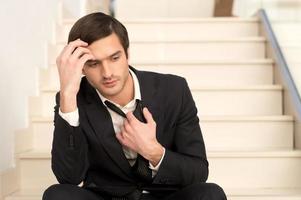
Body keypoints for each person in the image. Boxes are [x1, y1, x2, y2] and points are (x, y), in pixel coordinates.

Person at [42, 12, 227, 200]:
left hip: (164, 197)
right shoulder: (72, 99)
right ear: (81, 67)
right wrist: (67, 94)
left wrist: (153, 151)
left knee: (210, 194)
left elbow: (198, 173)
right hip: (109, 197)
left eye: (114, 58)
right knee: (57, 195)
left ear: (127, 54)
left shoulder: (174, 90)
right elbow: (69, 177)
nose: (107, 73)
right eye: (93, 63)